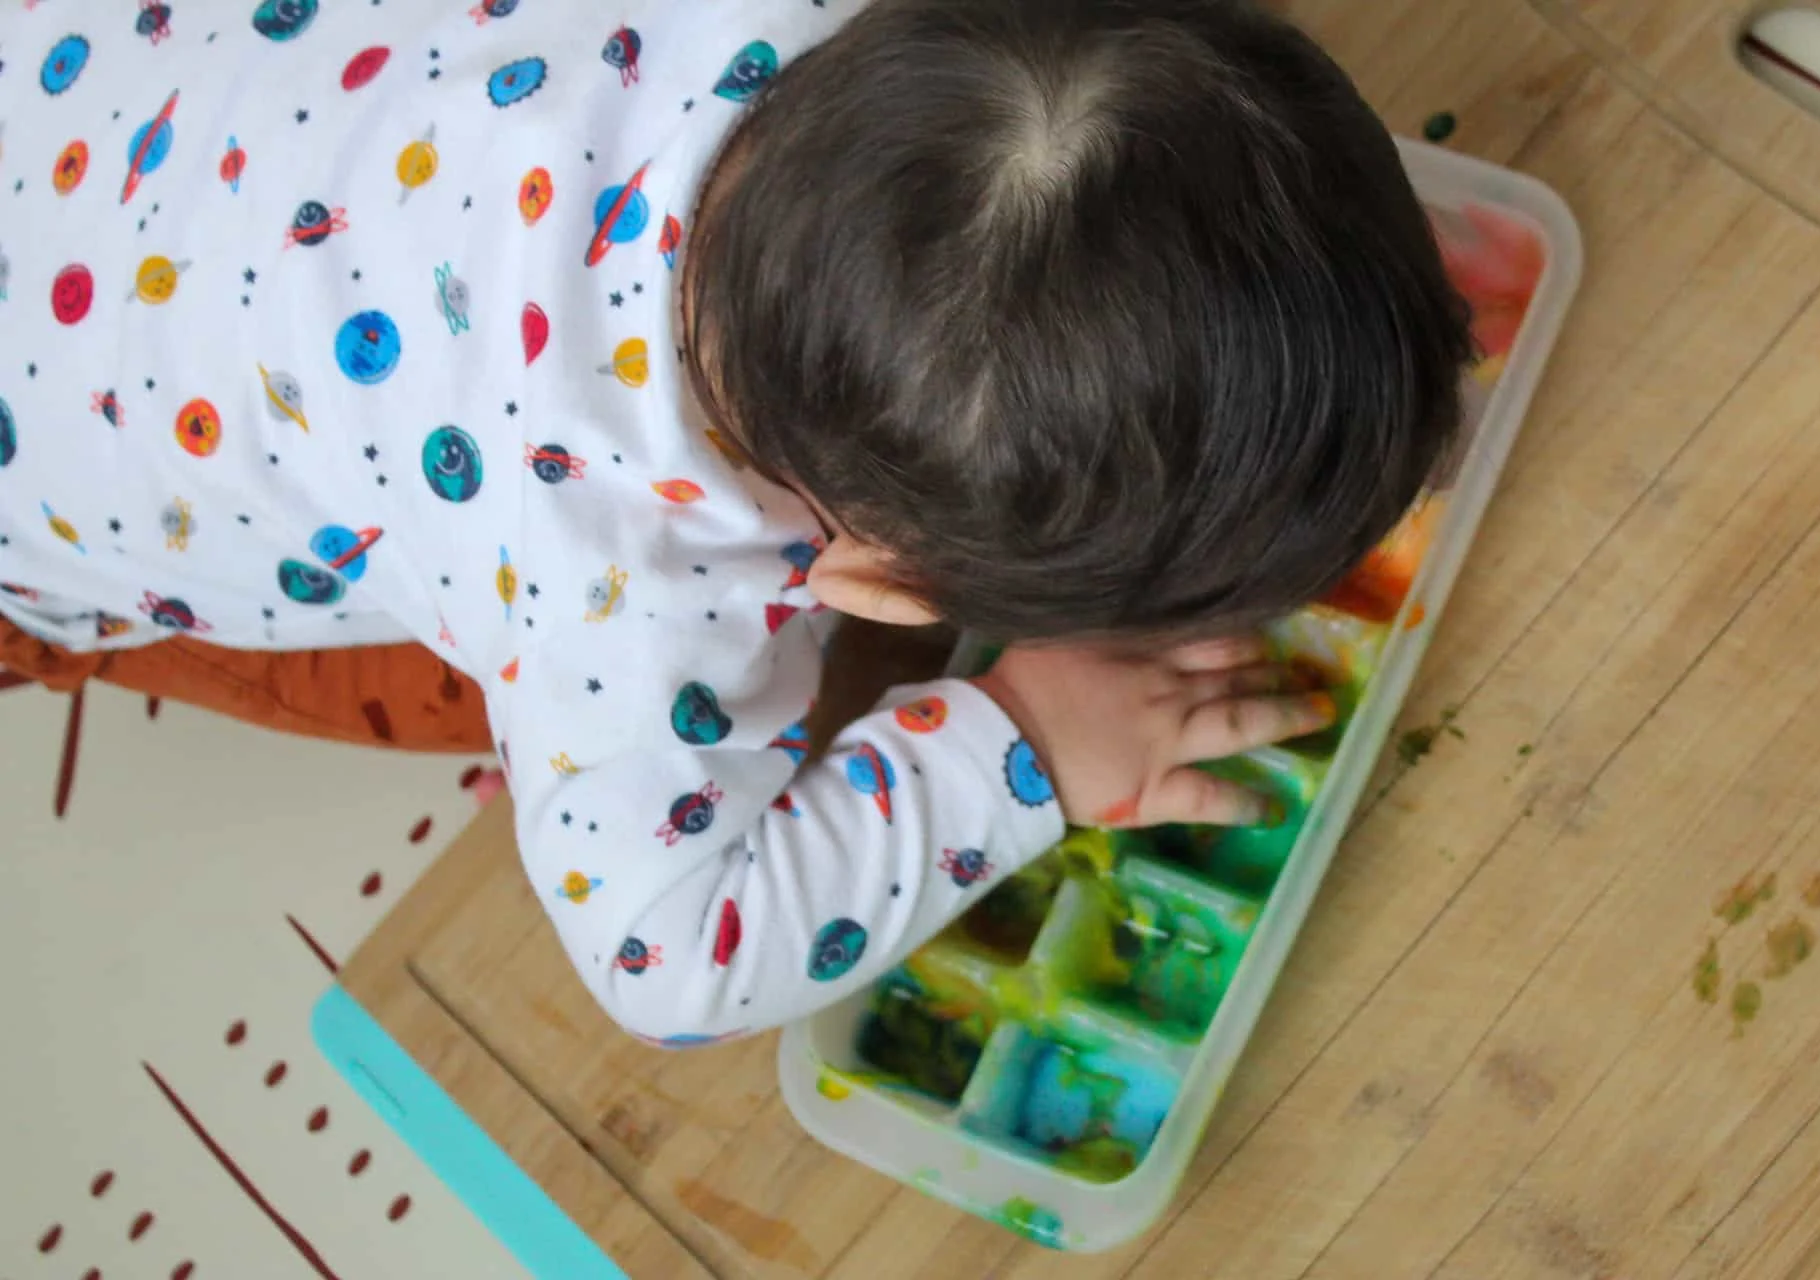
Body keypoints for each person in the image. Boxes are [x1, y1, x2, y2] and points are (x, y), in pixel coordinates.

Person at [0, 0, 1469, 1043]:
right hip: (52, 486)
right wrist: (1020, 746)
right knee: (449, 700)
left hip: (77, 82)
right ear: (881, 583)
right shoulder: (603, 592)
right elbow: (674, 961)